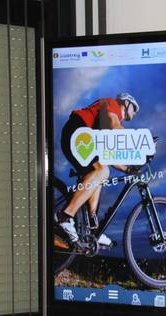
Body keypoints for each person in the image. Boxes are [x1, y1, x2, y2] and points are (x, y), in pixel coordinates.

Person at [55, 93, 139, 246]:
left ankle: (93, 229)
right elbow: (115, 127)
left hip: (83, 138)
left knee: (100, 171)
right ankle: (65, 216)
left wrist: (127, 169)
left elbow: (107, 155)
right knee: (102, 171)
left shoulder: (105, 124)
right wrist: (143, 142)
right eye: (134, 108)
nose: (135, 112)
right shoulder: (112, 104)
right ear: (125, 103)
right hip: (77, 132)